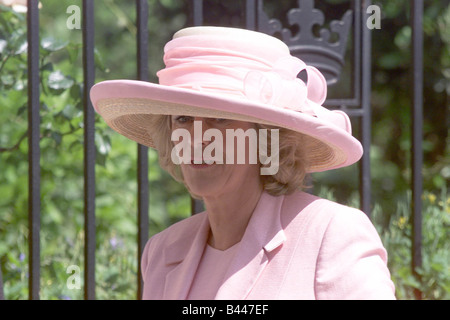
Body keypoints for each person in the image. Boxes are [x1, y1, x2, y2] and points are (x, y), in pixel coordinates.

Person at [90, 26, 396, 300]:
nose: (197, 138)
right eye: (182, 118)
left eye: (219, 119)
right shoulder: (162, 252)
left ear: (265, 138)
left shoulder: (331, 232)